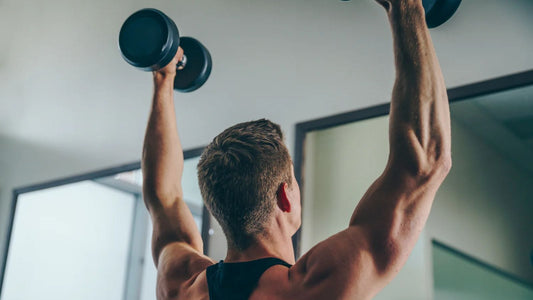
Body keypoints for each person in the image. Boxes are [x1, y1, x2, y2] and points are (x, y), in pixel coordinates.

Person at [141, 0, 452, 299]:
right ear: (284, 197)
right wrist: (407, 9)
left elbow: (163, 196)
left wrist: (163, 78)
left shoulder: (182, 288)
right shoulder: (312, 288)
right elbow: (424, 163)